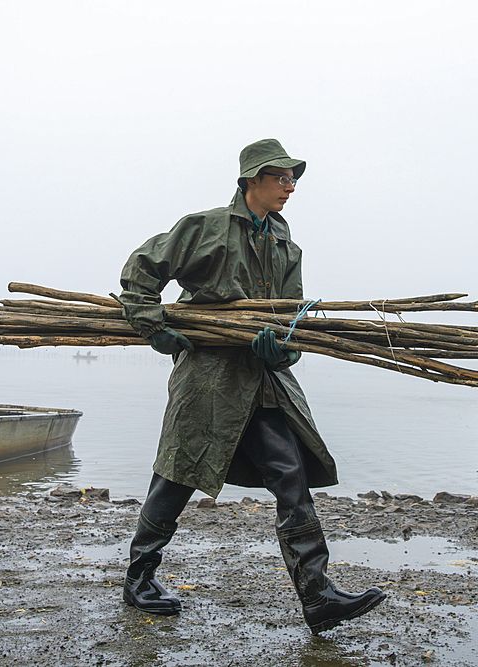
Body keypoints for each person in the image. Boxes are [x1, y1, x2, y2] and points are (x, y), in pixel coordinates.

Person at [115, 138, 386, 634]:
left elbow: (292, 322)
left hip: (265, 381)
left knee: (290, 473)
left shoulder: (287, 245)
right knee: (178, 473)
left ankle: (318, 593)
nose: (290, 187)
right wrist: (153, 325)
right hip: (209, 378)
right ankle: (139, 577)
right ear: (252, 180)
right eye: (281, 177)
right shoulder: (205, 229)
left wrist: (282, 351)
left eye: (293, 179)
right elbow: (141, 272)